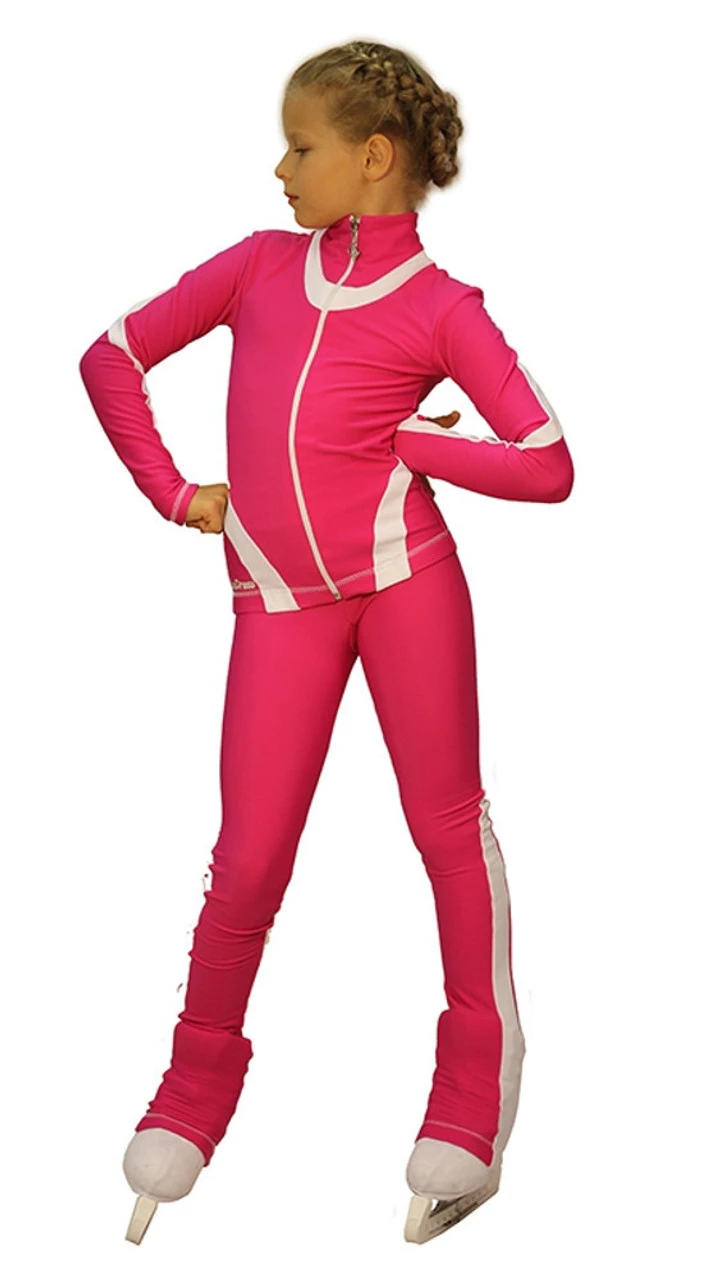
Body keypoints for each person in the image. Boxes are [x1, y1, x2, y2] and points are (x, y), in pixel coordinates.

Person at [79, 39, 574, 1243]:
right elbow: (111, 357)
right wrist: (177, 493)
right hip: (279, 601)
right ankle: (193, 1088)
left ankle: (474, 1096)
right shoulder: (257, 267)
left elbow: (548, 462)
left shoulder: (444, 309)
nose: (280, 169)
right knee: (248, 857)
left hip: (406, 584)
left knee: (447, 830)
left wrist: (416, 446)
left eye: (300, 147)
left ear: (373, 158)